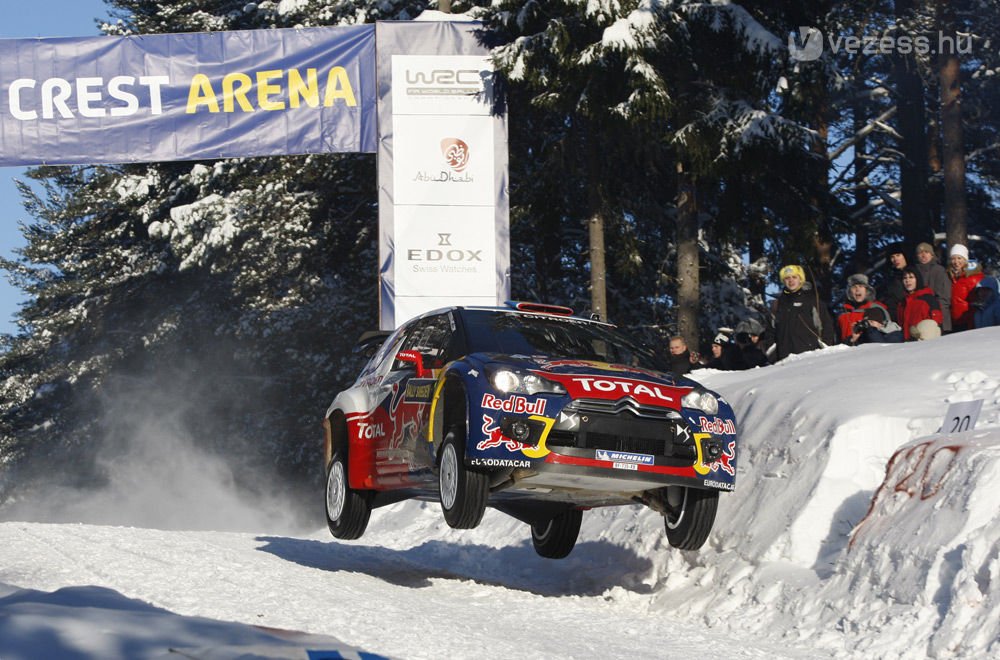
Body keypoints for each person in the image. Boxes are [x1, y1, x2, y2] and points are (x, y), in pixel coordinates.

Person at [772, 264, 836, 361]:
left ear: (800, 279)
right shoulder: (778, 304)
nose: (791, 280)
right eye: (787, 278)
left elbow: (827, 326)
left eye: (794, 277)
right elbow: (770, 331)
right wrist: (771, 354)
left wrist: (825, 348)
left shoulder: (812, 301)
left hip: (810, 356)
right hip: (784, 358)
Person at [836, 273, 890, 342]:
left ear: (866, 290)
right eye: (854, 287)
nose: (857, 289)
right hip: (846, 350)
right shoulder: (842, 314)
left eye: (861, 286)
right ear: (850, 292)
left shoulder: (876, 309)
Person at [914, 242, 952, 332]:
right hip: (919, 315)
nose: (923, 255)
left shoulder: (939, 270)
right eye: (920, 253)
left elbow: (944, 296)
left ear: (931, 255)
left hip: (938, 314)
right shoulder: (914, 272)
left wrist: (938, 315)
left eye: (926, 252)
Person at [897, 266, 943, 341]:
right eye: (905, 278)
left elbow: (937, 322)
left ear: (917, 279)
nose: (907, 281)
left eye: (911, 277)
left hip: (926, 341)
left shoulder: (928, 299)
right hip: (907, 342)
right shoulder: (902, 303)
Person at [947, 244, 984, 332]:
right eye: (953, 258)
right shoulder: (950, 276)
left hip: (969, 320)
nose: (956, 262)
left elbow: (979, 300)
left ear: (965, 260)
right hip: (955, 320)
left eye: (959, 258)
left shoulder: (973, 277)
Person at [881, 242, 909, 324]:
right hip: (895, 318)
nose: (895, 259)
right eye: (892, 257)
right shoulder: (889, 278)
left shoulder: (916, 273)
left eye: (898, 255)